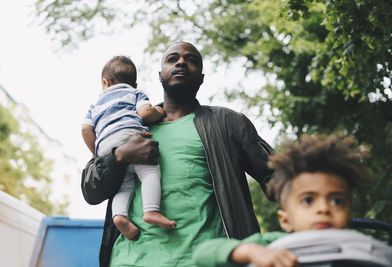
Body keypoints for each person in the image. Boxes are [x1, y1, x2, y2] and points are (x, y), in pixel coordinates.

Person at [81, 42, 274, 267]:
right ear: (159, 75)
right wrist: (120, 155)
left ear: (201, 78)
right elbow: (91, 191)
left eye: (191, 60)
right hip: (128, 260)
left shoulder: (227, 123)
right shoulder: (128, 124)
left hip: (203, 260)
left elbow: (279, 176)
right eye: (172, 59)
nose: (181, 62)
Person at [193, 134, 373, 267]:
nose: (324, 208)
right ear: (285, 220)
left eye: (337, 201)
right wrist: (251, 251)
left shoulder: (366, 249)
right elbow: (202, 254)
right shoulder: (274, 245)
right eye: (308, 200)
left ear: (350, 216)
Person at [81, 55, 176, 241]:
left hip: (106, 148)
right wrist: (160, 111)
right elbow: (146, 113)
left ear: (105, 82)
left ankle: (120, 217)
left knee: (124, 186)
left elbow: (85, 129)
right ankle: (151, 211)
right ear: (135, 84)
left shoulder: (95, 105)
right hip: (130, 136)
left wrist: (94, 152)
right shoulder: (134, 93)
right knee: (149, 173)